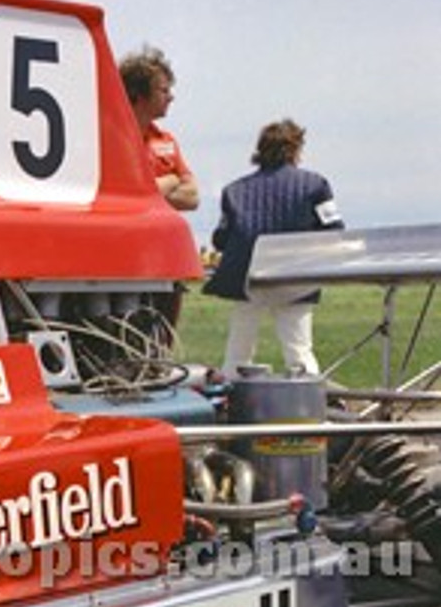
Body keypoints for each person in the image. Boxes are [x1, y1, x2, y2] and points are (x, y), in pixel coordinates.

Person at [204, 118, 343, 377]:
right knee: (299, 351)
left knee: (238, 352)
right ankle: (308, 405)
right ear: (295, 150)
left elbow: (221, 239)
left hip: (248, 279)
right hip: (296, 277)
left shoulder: (233, 191)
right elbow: (334, 230)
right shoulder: (315, 185)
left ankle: (230, 402)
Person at [119, 45, 200, 211]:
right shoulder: (111, 140)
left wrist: (151, 190)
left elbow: (193, 198)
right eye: (164, 90)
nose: (171, 97)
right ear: (139, 93)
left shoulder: (166, 140)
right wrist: (172, 180)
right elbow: (129, 195)